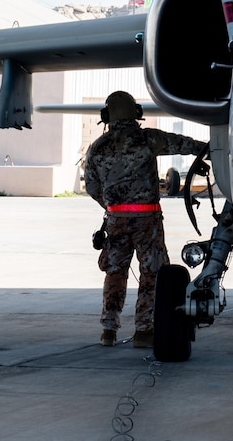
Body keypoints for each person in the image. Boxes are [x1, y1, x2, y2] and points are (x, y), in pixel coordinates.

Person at [83, 90, 209, 349]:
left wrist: (112, 206)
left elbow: (93, 187)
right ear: (136, 113)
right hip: (146, 219)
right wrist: (207, 149)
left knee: (115, 272)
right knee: (152, 273)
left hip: (115, 218)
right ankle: (143, 330)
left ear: (106, 115)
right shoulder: (147, 139)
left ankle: (109, 329)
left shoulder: (98, 147)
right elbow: (180, 143)